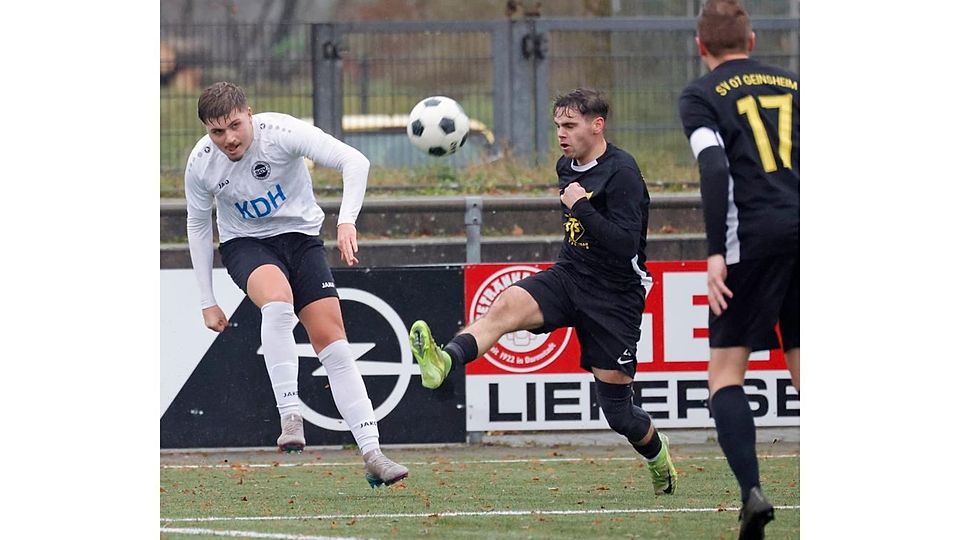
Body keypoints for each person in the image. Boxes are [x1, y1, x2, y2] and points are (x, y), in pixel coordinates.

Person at [408, 88, 678, 496]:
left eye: (570, 126)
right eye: (557, 126)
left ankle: (660, 460)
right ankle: (444, 360)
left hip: (615, 295)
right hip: (570, 274)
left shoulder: (622, 172)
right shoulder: (565, 165)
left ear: (597, 125)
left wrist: (582, 207)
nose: (561, 134)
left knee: (619, 414)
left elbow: (625, 245)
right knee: (505, 307)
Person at [184, 81, 408, 488]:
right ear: (206, 131)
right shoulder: (201, 164)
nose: (229, 139)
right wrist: (207, 298)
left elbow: (355, 162)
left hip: (302, 242)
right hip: (246, 245)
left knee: (335, 344)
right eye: (217, 132)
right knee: (278, 303)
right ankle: (290, 414)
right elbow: (198, 225)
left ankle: (373, 453)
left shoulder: (281, 133)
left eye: (235, 126)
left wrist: (346, 221)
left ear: (250, 114)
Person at [677, 1, 799, 538]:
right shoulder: (797, 85)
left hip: (751, 238)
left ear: (701, 46)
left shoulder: (701, 94)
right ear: (751, 41)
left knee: (726, 373)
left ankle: (751, 491)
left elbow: (714, 166)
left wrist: (714, 251)